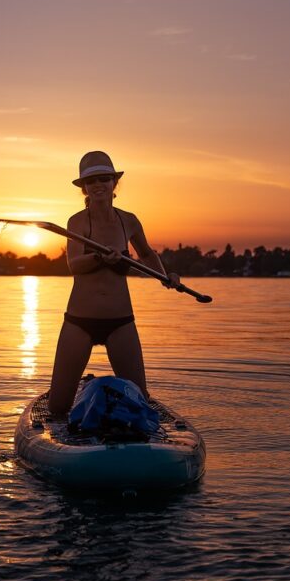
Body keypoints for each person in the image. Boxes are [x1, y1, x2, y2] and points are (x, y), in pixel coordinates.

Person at [48, 151, 179, 417]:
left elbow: (146, 255)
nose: (98, 185)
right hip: (79, 321)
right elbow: (75, 265)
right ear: (84, 187)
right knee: (58, 407)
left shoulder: (129, 220)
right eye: (92, 181)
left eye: (104, 179)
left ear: (114, 183)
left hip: (120, 321)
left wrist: (166, 277)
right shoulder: (77, 222)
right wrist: (99, 255)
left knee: (140, 401)